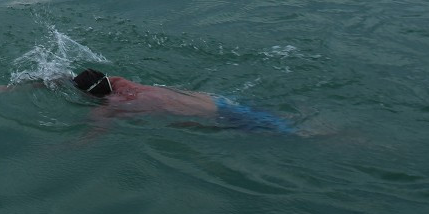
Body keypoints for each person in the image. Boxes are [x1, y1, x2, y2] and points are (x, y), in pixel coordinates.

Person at [72, 68, 293, 133]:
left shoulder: (113, 105)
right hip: (221, 101)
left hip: (221, 117)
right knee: (282, 118)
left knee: (296, 132)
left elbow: (94, 133)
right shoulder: (121, 82)